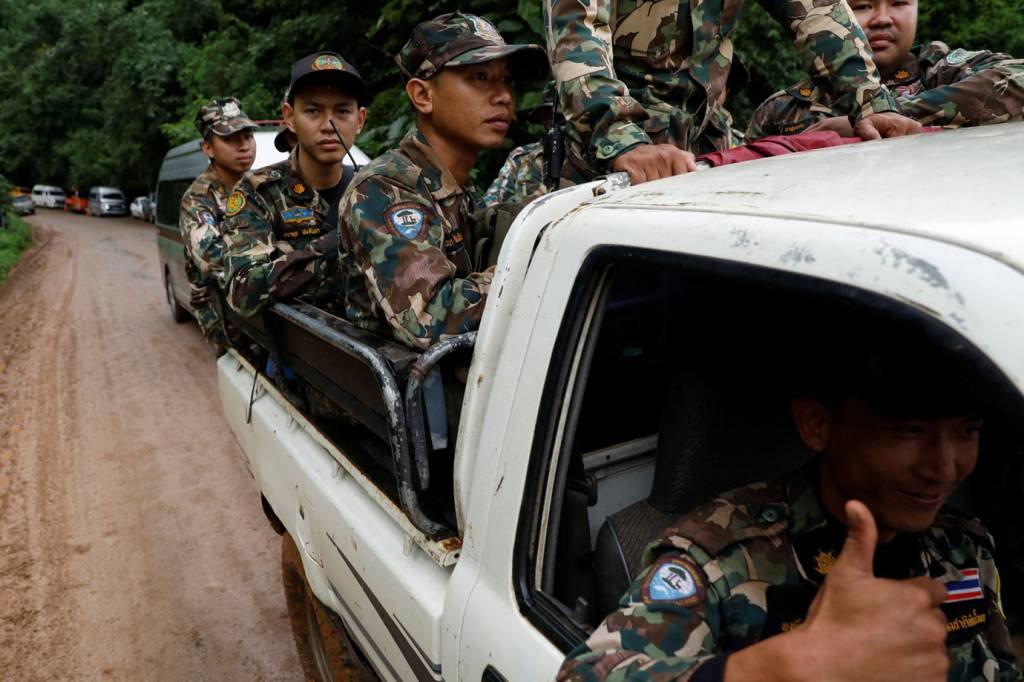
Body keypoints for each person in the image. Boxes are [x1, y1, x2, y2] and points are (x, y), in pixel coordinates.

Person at [559, 346, 1019, 681]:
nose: (944, 466)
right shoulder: (722, 553)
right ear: (817, 425)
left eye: (967, 432)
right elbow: (585, 676)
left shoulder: (961, 546)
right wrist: (785, 668)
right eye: (909, 431)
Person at [543, 0, 923, 187]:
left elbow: (816, 12)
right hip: (610, 161)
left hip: (706, 153)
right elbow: (578, 36)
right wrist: (622, 140)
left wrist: (869, 100)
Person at [338, 12, 548, 350]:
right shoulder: (384, 187)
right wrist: (543, 261)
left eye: (506, 79)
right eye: (479, 76)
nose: (505, 96)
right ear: (423, 95)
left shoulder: (459, 190)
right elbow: (429, 318)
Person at [219, 51, 368, 317]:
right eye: (313, 111)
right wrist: (337, 243)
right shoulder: (258, 192)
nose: (328, 125)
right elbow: (242, 292)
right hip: (295, 351)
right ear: (289, 117)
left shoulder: (377, 188)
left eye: (343, 111)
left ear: (360, 120)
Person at [746, 0, 1024, 140]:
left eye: (899, 3)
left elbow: (1018, 80)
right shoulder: (781, 111)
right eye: (863, 6)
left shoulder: (942, 72)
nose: (882, 19)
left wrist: (894, 113)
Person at [178, 97, 257, 345]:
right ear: (208, 148)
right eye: (231, 139)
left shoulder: (258, 185)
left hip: (262, 314)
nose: (244, 146)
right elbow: (213, 257)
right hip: (230, 326)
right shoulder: (198, 199)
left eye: (247, 136)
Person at [482, 82, 559, 208]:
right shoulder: (522, 157)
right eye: (549, 116)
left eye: (560, 115)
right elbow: (488, 208)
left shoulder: (595, 156)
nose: (554, 121)